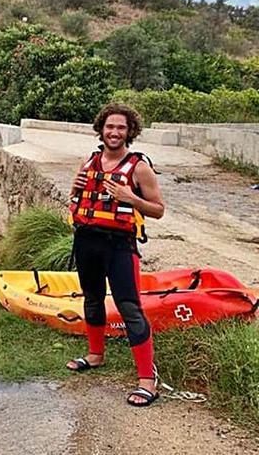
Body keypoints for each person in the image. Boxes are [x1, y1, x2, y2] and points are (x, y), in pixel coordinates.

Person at [65, 103, 165, 407]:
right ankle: (95, 355)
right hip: (87, 241)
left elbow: (158, 210)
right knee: (92, 299)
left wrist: (130, 197)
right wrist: (74, 187)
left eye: (121, 127)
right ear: (101, 129)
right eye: (110, 126)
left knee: (129, 307)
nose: (114, 132)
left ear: (129, 131)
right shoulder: (89, 162)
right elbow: (76, 200)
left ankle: (147, 380)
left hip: (119, 246)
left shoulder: (139, 166)